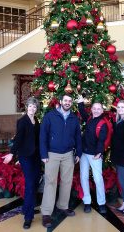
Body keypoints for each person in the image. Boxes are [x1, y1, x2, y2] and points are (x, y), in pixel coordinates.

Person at [40, 93, 82, 228]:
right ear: (60, 101)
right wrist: (43, 153)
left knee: (66, 181)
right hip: (52, 154)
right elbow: (43, 136)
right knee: (50, 182)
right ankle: (46, 213)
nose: (67, 102)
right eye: (65, 100)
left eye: (70, 101)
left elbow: (78, 137)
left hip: (68, 154)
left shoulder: (74, 118)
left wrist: (78, 153)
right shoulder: (50, 116)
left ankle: (63, 206)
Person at [2, 97, 41, 229]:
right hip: (25, 156)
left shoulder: (36, 120)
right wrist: (12, 153)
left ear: (37, 109)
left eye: (34, 107)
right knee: (30, 184)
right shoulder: (22, 121)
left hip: (36, 156)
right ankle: (28, 217)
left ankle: (26, 208)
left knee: (35, 182)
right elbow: (18, 138)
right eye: (30, 106)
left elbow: (38, 138)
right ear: (27, 107)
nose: (32, 108)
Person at [77, 95, 108, 214]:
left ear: (102, 110)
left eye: (98, 108)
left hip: (95, 155)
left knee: (98, 179)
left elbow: (102, 139)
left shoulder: (102, 123)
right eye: (94, 108)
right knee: (83, 177)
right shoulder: (89, 119)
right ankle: (87, 202)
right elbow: (83, 114)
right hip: (84, 154)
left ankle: (101, 203)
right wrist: (80, 103)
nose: (96, 110)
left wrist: (99, 152)